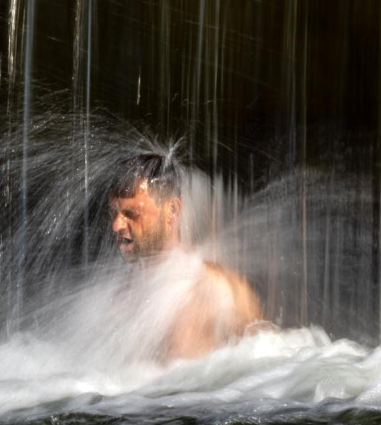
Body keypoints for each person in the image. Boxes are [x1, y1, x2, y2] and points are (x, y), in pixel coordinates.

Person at [107, 150, 264, 359]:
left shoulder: (217, 290)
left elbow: (268, 371)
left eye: (131, 214)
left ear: (171, 210)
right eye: (114, 213)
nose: (116, 225)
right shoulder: (122, 294)